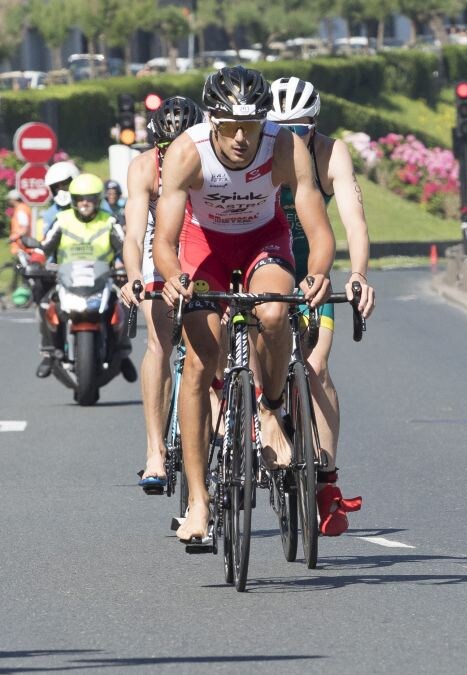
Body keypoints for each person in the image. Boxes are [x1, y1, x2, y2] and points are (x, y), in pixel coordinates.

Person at [153, 66, 335, 543]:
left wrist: (317, 273)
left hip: (263, 241)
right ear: (211, 121)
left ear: (263, 122)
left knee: (274, 312)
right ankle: (198, 501)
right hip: (203, 247)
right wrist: (173, 278)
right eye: (229, 126)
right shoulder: (186, 152)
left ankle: (271, 410)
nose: (239, 138)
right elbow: (165, 240)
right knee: (200, 362)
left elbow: (316, 226)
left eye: (250, 126)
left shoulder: (283, 147)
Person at [267, 76, 374, 535]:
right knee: (258, 347)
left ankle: (326, 479)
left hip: (313, 262)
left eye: (301, 128)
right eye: (281, 127)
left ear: (315, 125)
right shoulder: (259, 150)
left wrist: (357, 275)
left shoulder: (332, 154)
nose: (291, 137)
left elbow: (353, 219)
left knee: (316, 367)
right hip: (265, 259)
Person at [119, 95, 205, 494]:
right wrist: (134, 274)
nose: (174, 155)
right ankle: (155, 450)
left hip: (203, 241)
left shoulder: (209, 160)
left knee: (213, 339)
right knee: (159, 343)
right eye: (166, 148)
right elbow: (135, 233)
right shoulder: (142, 167)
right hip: (160, 244)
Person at [28, 173, 137, 381]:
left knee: (125, 302)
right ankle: (49, 352)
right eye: (79, 198)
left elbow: (125, 248)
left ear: (98, 199)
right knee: (45, 305)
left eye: (90, 198)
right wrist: (35, 262)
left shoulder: (109, 221)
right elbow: (44, 247)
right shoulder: (62, 220)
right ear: (73, 200)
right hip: (66, 278)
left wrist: (132, 268)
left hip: (104, 278)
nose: (85, 203)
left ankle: (123, 353)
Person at [7, 190, 32, 256]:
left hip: (22, 245)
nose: (9, 201)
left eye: (9, 199)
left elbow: (24, 229)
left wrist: (14, 237)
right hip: (22, 244)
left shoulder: (21, 210)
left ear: (14, 199)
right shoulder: (21, 208)